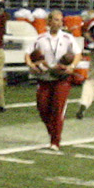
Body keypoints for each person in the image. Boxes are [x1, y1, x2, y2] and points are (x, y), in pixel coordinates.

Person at [26, 8, 77, 152]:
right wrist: (32, 65)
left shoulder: (67, 38)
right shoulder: (41, 38)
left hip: (61, 78)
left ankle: (55, 140)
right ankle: (52, 131)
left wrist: (71, 65)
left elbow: (77, 54)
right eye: (56, 19)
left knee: (57, 109)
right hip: (44, 77)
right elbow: (29, 54)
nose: (59, 23)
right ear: (49, 21)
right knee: (42, 108)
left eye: (61, 20)